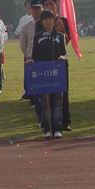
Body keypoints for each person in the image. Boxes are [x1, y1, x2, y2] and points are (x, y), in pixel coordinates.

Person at [28, 9, 67, 138]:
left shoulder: (59, 36)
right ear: (42, 22)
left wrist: (62, 57)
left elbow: (64, 53)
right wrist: (31, 61)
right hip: (42, 74)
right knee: (45, 103)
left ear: (54, 20)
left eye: (50, 18)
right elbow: (34, 55)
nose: (48, 21)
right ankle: (46, 128)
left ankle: (57, 128)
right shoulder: (38, 37)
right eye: (45, 19)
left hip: (57, 74)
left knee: (57, 103)